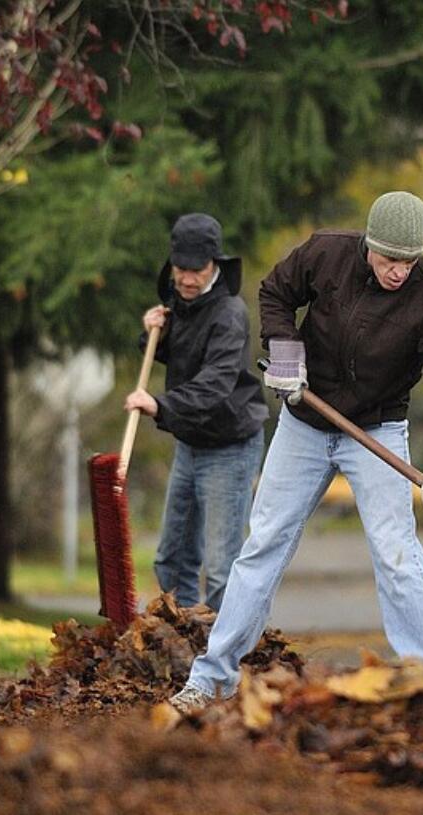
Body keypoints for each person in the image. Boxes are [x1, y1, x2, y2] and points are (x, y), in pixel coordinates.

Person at [169, 191, 423, 713]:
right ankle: (213, 678)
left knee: (394, 551)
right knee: (264, 542)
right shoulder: (326, 254)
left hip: (378, 431)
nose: (398, 272)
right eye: (389, 259)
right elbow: (275, 291)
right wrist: (287, 353)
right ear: (368, 246)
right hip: (304, 423)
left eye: (409, 262)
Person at [124, 213, 268, 612]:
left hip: (230, 447)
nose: (187, 279)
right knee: (172, 560)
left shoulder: (230, 314)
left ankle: (227, 658)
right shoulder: (179, 303)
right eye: (180, 270)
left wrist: (159, 405)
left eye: (196, 271)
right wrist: (155, 333)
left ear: (215, 265)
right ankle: (185, 643)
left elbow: (214, 385)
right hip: (190, 444)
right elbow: (183, 356)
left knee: (221, 569)